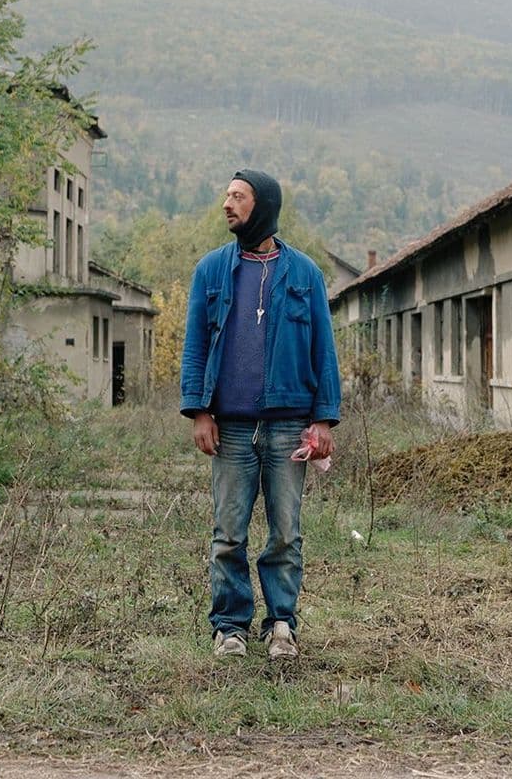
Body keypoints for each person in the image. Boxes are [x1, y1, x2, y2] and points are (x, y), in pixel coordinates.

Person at [180, 169, 341, 660]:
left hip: (288, 426)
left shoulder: (305, 274)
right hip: (228, 427)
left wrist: (324, 420)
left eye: (238, 197)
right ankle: (229, 627)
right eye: (226, 195)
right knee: (228, 532)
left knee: (285, 533)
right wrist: (198, 412)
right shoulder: (211, 270)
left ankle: (282, 626)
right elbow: (194, 346)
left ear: (264, 206)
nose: (227, 204)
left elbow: (324, 350)